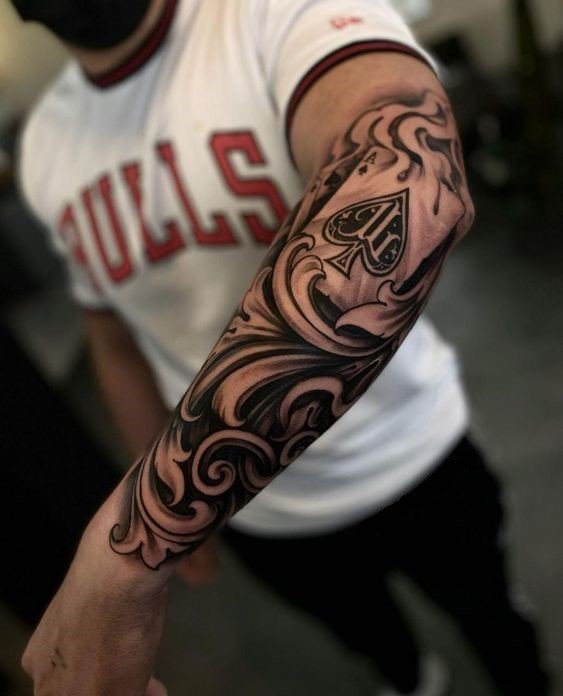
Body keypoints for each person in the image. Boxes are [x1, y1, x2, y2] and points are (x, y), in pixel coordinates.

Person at [13, 1, 549, 694]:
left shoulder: (275, 13)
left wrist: (133, 543)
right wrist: (177, 517)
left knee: (495, 624)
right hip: (256, 510)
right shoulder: (44, 148)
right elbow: (114, 339)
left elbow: (411, 186)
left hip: (410, 455)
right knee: (371, 641)